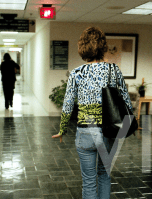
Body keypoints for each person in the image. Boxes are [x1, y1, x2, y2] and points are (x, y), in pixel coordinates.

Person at [52, 27, 133, 199]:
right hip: (107, 132)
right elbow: (125, 100)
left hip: (85, 133)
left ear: (83, 47)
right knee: (104, 175)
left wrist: (62, 129)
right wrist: (128, 125)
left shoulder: (76, 73)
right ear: (103, 46)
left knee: (88, 181)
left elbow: (67, 104)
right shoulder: (114, 70)